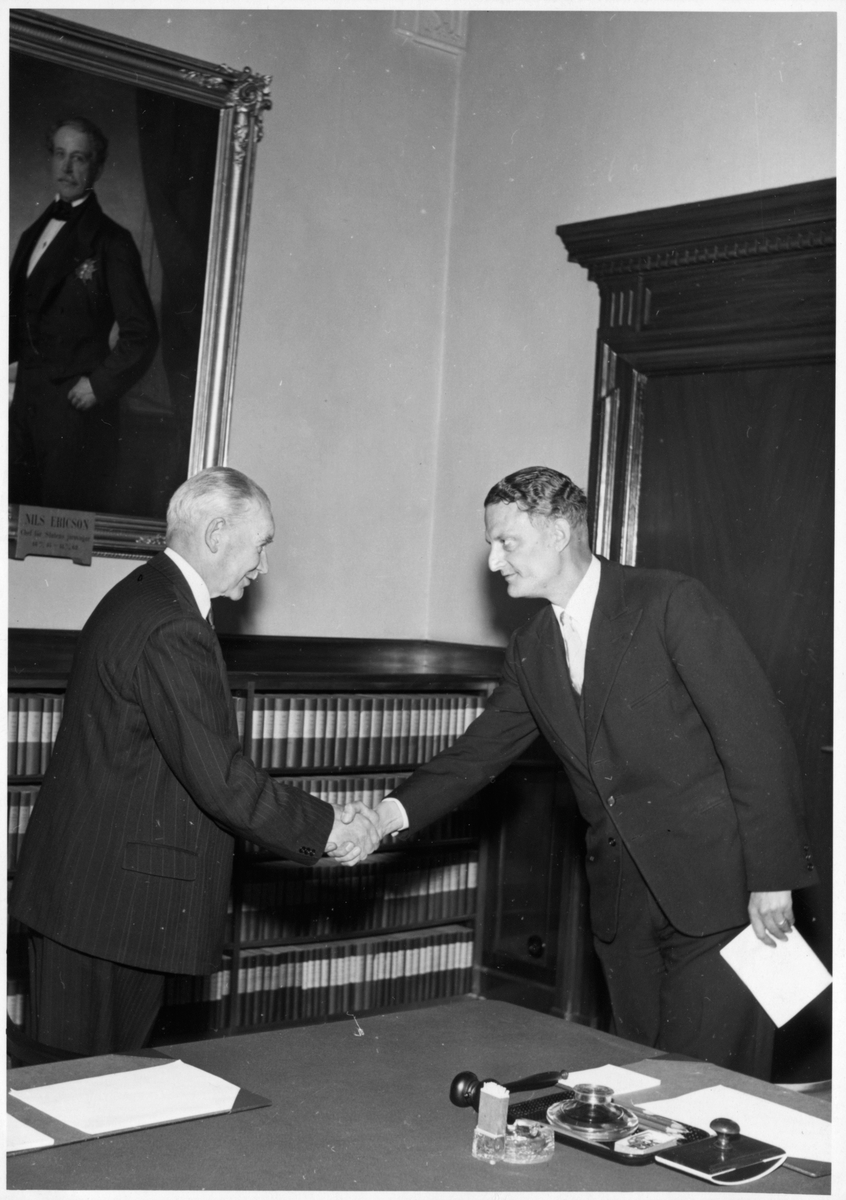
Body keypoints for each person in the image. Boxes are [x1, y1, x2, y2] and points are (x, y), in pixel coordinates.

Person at [371, 466, 818, 1080]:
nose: (495, 561)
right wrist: (384, 818)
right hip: (622, 908)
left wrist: (773, 878)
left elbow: (757, 744)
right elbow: (477, 754)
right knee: (640, 1081)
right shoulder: (531, 646)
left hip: (720, 895)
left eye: (506, 542)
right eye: (491, 545)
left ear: (559, 533)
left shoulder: (668, 603)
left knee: (709, 1085)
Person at [9, 467, 381, 1060]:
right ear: (215, 534)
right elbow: (222, 780)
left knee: (103, 1084)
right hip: (102, 910)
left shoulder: (148, 594)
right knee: (78, 1088)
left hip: (98, 901)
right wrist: (331, 827)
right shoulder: (173, 623)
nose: (263, 566)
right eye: (261, 544)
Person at [9, 116, 159, 512]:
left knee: (58, 529)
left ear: (98, 167)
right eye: (60, 154)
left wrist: (98, 385)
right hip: (23, 408)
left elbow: (141, 333)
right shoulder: (31, 234)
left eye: (79, 158)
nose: (66, 167)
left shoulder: (111, 241)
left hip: (74, 418)